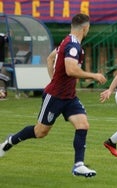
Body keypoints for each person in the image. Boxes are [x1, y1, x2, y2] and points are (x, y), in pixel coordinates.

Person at [0, 13, 107, 177]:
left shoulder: (69, 41)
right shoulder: (73, 46)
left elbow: (50, 59)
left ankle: (78, 165)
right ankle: (10, 141)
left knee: (83, 125)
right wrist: (93, 75)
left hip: (69, 97)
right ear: (85, 28)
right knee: (40, 132)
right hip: (55, 96)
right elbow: (71, 70)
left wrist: (54, 79)